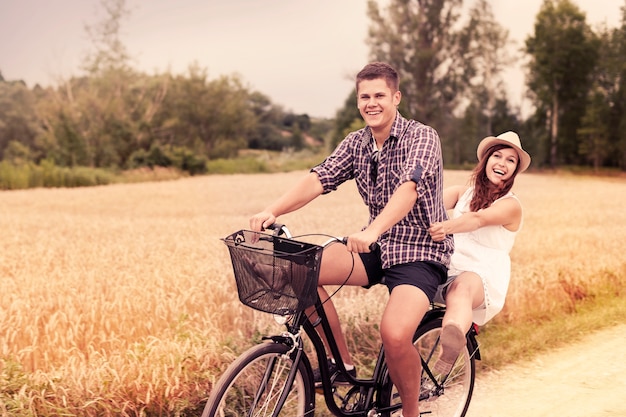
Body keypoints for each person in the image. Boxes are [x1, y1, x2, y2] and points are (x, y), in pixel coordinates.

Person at [249, 62, 452, 417]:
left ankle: (410, 412)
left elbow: (409, 189)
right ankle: (340, 365)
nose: (371, 103)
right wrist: (273, 210)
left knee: (394, 335)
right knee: (299, 271)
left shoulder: (422, 136)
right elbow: (320, 178)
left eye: (379, 96)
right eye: (365, 97)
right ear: (358, 100)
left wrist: (373, 230)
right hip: (376, 249)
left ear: (396, 97)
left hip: (419, 252)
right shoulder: (357, 142)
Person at [428, 131, 531, 375]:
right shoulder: (461, 192)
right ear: (486, 160)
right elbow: (426, 205)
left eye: (510, 160)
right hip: (447, 264)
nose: (502, 163)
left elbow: (477, 219)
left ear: (514, 170)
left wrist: (445, 227)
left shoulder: (511, 205)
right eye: (497, 156)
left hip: (481, 274)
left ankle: (452, 338)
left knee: (462, 288)